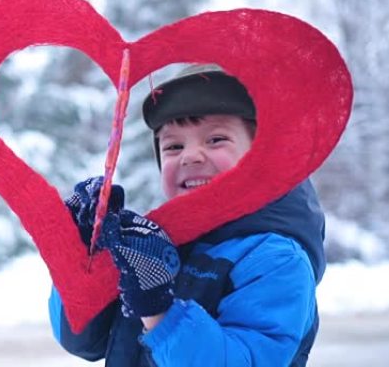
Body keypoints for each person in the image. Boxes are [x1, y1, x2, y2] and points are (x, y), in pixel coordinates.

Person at [48, 64, 326, 367]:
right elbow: (84, 341)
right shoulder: (157, 244)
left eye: (216, 139)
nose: (190, 155)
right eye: (173, 146)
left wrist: (158, 309)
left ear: (262, 156)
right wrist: (83, 259)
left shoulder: (274, 258)